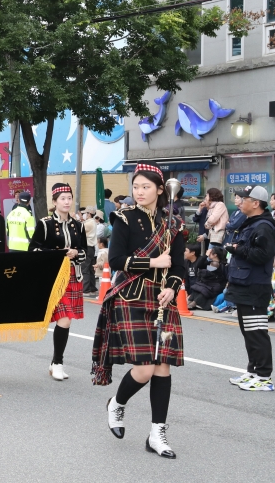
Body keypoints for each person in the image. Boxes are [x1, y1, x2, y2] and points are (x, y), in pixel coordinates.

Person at [93, 164, 185, 459]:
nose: (140, 192)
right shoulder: (124, 218)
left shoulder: (175, 224)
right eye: (136, 187)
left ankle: (157, 433)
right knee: (145, 368)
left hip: (163, 299)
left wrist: (172, 287)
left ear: (160, 189)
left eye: (146, 187)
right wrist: (153, 264)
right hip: (132, 297)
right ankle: (117, 404)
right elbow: (117, 259)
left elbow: (180, 267)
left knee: (163, 367)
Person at [29, 183, 87, 381]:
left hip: (73, 275)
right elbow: (33, 250)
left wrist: (76, 253)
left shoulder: (78, 225)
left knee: (67, 320)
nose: (67, 202)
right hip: (53, 277)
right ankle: (58, 362)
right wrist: (58, 254)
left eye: (69, 198)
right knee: (65, 318)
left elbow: (86, 252)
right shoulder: (44, 224)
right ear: (54, 202)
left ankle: (56, 362)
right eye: (62, 198)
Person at [223, 185, 275, 391]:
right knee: (248, 331)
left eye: (244, 198)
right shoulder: (251, 223)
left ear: (256, 203)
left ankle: (264, 377)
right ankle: (253, 371)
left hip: (255, 285)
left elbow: (263, 255)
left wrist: (237, 249)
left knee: (257, 332)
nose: (239, 201)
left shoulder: (263, 226)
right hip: (244, 283)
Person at [187, 246, 228, 310]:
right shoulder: (210, 262)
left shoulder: (217, 264)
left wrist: (206, 256)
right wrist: (205, 256)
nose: (209, 253)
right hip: (208, 284)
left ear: (215, 255)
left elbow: (207, 273)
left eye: (211, 252)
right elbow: (199, 265)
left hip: (215, 286)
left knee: (203, 290)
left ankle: (195, 303)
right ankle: (190, 301)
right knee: (197, 288)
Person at [82, 206, 99, 296]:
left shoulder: (89, 223)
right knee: (90, 269)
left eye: (85, 213)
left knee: (85, 268)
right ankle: (92, 288)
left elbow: (79, 229)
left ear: (89, 214)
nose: (84, 214)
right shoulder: (92, 222)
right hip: (91, 248)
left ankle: (86, 290)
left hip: (87, 247)